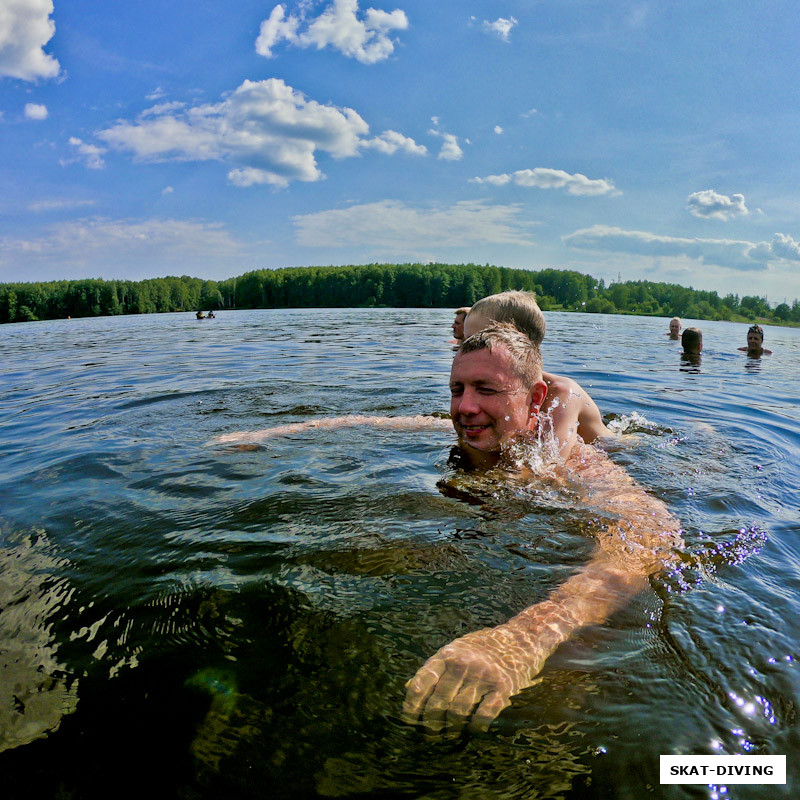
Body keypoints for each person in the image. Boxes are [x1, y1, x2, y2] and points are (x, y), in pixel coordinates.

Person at [401, 325, 682, 733]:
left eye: (486, 389)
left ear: (534, 400)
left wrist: (525, 638)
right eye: (457, 389)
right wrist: (283, 433)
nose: (465, 407)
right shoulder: (468, 436)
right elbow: (383, 423)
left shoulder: (565, 463)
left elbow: (652, 534)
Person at [463, 291, 613, 457]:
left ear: (518, 343)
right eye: (466, 341)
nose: (465, 350)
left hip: (616, 447)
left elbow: (553, 463)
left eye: (478, 341)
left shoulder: (562, 394)